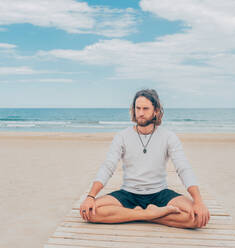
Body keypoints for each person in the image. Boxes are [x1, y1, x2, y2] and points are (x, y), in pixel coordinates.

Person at [79, 89, 210, 228]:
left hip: (160, 193)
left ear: (156, 111)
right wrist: (90, 196)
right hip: (128, 193)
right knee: (89, 212)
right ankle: (150, 215)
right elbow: (108, 166)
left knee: (196, 218)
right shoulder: (122, 136)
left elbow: (183, 168)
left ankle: (135, 215)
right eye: (138, 108)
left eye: (145, 109)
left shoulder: (168, 136)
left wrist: (198, 201)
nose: (141, 113)